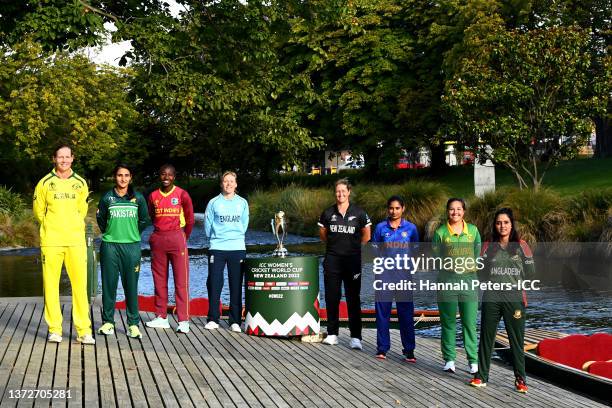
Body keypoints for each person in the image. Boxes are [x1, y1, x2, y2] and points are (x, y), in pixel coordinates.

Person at [33, 144, 95, 344]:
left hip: (75, 241)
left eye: (67, 157)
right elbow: (39, 212)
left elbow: (82, 210)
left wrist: (71, 225)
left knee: (80, 286)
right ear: (54, 159)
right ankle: (55, 329)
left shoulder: (80, 183)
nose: (64, 160)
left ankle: (84, 330)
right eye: (60, 157)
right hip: (51, 241)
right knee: (51, 286)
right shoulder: (44, 183)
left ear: (73, 158)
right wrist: (52, 227)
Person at [469, 208, 534, 393]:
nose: (502, 226)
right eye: (498, 223)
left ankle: (520, 379)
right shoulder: (488, 245)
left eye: (505, 222)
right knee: (486, 337)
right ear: (495, 225)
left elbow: (531, 273)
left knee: (516, 340)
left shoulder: (522, 245)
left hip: (514, 299)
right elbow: (480, 272)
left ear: (511, 224)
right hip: (492, 297)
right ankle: (481, 377)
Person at [96, 164, 150, 339]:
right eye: (120, 175)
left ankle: (133, 325)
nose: (123, 178)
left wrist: (132, 233)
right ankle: (108, 323)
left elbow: (144, 220)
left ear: (131, 178)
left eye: (126, 175)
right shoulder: (107, 198)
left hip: (132, 247)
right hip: (110, 246)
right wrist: (112, 232)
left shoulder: (138, 198)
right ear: (115, 177)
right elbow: (101, 220)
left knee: (131, 287)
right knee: (108, 285)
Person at [318, 178, 371, 349]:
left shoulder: (360, 213)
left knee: (353, 298)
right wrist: (336, 247)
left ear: (349, 192)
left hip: (352, 261)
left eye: (343, 191)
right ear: (335, 193)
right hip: (332, 260)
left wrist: (354, 249)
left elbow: (367, 236)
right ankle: (333, 334)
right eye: (337, 191)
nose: (340, 194)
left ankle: (356, 337)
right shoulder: (327, 213)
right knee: (332, 298)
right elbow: (323, 235)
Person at [432, 198, 481, 374]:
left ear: (464, 211)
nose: (455, 213)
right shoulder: (440, 233)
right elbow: (436, 259)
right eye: (452, 209)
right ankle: (449, 360)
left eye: (459, 209)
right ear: (447, 211)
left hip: (468, 284)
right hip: (447, 284)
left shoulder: (473, 231)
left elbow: (477, 256)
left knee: (469, 323)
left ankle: (473, 361)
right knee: (448, 323)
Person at [145, 164, 194, 333]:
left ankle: (183, 320)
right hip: (158, 239)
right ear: (159, 176)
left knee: (181, 281)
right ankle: (161, 317)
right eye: (163, 174)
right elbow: (152, 216)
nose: (166, 177)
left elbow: (190, 220)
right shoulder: (153, 196)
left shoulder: (182, 194)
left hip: (177, 238)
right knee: (159, 280)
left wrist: (182, 237)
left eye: (169, 175)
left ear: (174, 176)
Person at [373, 195, 419, 362]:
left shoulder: (412, 229)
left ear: (403, 208)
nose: (394, 211)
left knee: (406, 313)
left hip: (404, 276)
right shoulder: (380, 228)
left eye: (397, 208)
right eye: (391, 208)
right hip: (384, 275)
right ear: (388, 209)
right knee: (382, 313)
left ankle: (409, 350)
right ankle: (382, 348)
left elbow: (415, 250)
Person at [203, 171, 249, 332]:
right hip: (217, 248)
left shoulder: (242, 202)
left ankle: (235, 320)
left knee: (235, 284)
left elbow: (244, 224)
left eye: (231, 181)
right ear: (221, 184)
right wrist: (215, 239)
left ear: (236, 184)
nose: (229, 184)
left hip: (237, 248)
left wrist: (234, 237)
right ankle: (213, 318)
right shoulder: (214, 202)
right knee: (215, 283)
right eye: (225, 181)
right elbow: (208, 225)